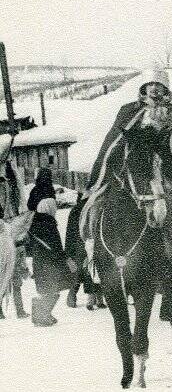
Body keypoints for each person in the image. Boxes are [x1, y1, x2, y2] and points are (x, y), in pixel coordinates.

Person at [80, 69, 172, 279]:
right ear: (143, 88)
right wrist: (99, 176)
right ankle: (92, 254)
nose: (154, 88)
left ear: (165, 89)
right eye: (150, 84)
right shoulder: (128, 110)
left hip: (160, 173)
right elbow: (111, 144)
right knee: (91, 205)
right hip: (129, 170)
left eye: (159, 85)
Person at [28, 197, 75, 326]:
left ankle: (43, 315)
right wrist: (66, 259)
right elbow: (56, 246)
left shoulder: (35, 223)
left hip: (39, 262)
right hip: (50, 263)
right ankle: (41, 317)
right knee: (51, 291)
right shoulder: (49, 223)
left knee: (46, 290)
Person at [0, 139, 30, 319]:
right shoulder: (5, 184)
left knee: (15, 273)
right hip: (6, 232)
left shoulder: (10, 182)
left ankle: (18, 309)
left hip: (11, 230)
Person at [64, 194, 104, 310]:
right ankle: (94, 298)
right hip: (89, 241)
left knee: (80, 271)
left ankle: (72, 297)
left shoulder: (75, 209)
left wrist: (69, 251)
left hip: (77, 244)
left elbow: (69, 232)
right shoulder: (92, 207)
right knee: (93, 269)